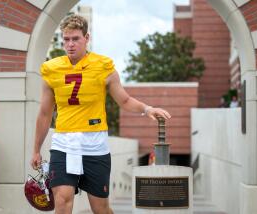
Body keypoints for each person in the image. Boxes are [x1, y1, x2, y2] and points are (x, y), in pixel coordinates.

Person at [30, 14, 171, 214]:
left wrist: (147, 109)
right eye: (66, 39)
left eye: (75, 39)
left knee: (100, 208)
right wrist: (36, 149)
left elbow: (124, 100)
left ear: (86, 38)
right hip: (63, 143)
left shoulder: (103, 67)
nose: (70, 44)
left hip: (95, 144)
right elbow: (45, 113)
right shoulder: (51, 70)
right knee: (62, 199)